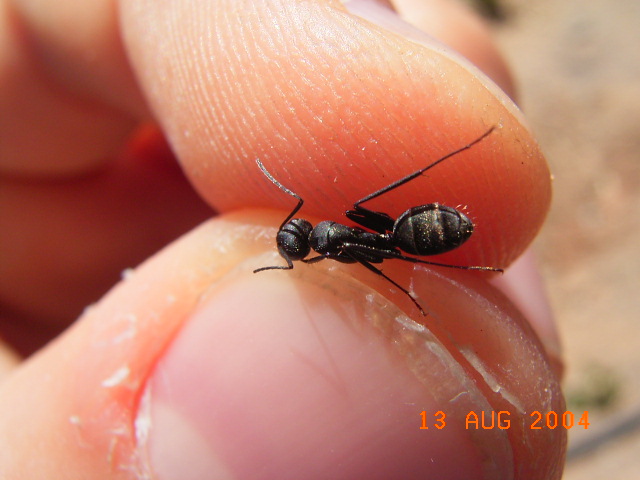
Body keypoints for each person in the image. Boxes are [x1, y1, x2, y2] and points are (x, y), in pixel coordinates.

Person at [0, 0, 565, 478]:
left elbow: (374, 258)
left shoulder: (331, 240)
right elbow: (376, 263)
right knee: (393, 250)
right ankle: (456, 229)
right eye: (295, 237)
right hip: (408, 234)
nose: (295, 235)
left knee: (391, 243)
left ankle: (452, 173)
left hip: (412, 231)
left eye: (293, 235)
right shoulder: (331, 239)